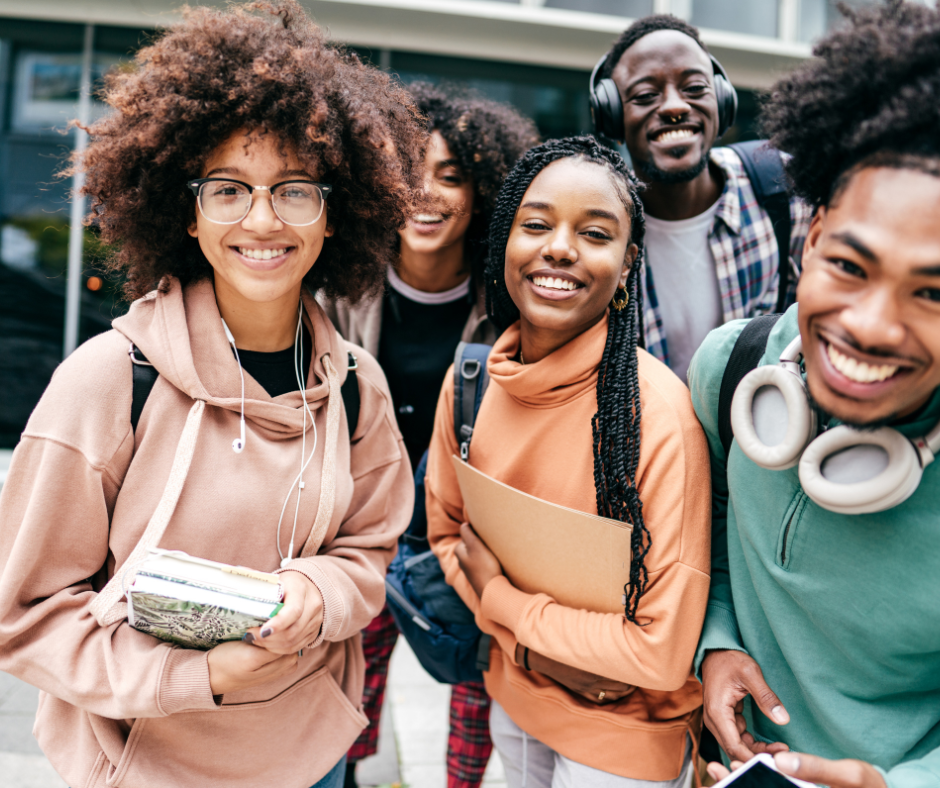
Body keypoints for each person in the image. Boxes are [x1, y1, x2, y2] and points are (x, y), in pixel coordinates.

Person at [0, 3, 424, 787]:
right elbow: (26, 617)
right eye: (228, 189)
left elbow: (369, 550)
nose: (262, 219)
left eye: (295, 189)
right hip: (143, 763)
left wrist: (316, 588)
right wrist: (204, 679)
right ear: (186, 213)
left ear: (335, 213)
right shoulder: (109, 380)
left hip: (307, 758)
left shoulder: (356, 386)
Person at [688, 3, 940, 787]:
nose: (870, 326)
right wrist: (716, 642)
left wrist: (894, 785)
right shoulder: (731, 365)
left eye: (933, 293)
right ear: (813, 235)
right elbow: (712, 528)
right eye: (851, 266)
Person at [425, 136, 711, 788]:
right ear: (504, 241)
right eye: (536, 224)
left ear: (627, 260)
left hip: (624, 745)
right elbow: (447, 537)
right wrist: (534, 653)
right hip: (515, 701)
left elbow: (661, 655)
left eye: (594, 232)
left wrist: (505, 607)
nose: (559, 247)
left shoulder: (657, 418)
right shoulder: (472, 382)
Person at [321, 82, 538, 788]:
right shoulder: (340, 287)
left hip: (467, 532)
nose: (428, 192)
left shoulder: (506, 297)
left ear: (482, 195)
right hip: (364, 525)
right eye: (411, 170)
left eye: (451, 176)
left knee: (475, 696)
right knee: (346, 693)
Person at [593, 15, 812, 380]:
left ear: (722, 99)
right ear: (612, 116)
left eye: (695, 88)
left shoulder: (787, 189)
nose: (675, 107)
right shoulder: (598, 225)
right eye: (646, 95)